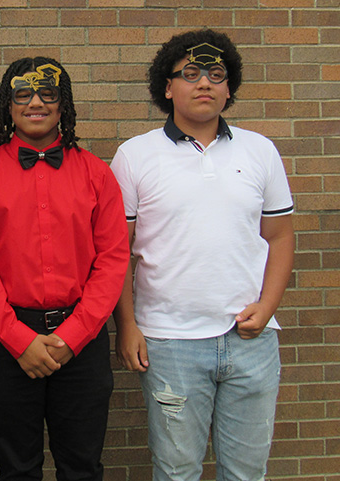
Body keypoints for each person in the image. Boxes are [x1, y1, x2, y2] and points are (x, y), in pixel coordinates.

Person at [110, 29, 295, 481]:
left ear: (229, 87)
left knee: (248, 474)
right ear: (167, 87)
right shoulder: (135, 156)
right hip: (169, 344)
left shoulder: (260, 151)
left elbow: (281, 236)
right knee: (176, 472)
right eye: (190, 74)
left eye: (216, 73)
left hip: (251, 340)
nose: (205, 83)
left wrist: (268, 306)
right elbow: (118, 253)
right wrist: (128, 326)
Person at [0, 57, 129, 480]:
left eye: (48, 93)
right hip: (6, 343)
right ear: (7, 104)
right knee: (17, 470)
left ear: (63, 104)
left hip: (81, 341)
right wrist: (18, 340)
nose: (36, 102)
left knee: (82, 468)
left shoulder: (97, 174)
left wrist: (71, 337)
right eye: (23, 94)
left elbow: (112, 260)